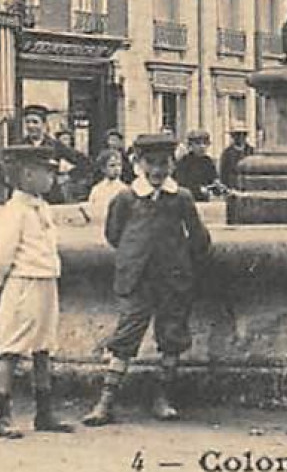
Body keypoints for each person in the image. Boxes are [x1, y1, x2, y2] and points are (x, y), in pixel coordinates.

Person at [82, 134, 213, 427]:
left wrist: (179, 261)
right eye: (150, 163)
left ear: (173, 164)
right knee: (126, 335)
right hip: (137, 279)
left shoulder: (181, 198)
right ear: (138, 164)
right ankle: (106, 401)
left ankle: (163, 396)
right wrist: (135, 258)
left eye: (164, 163)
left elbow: (200, 238)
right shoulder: (126, 199)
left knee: (171, 336)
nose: (157, 170)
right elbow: (114, 235)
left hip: (172, 279)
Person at [0, 145, 71, 439]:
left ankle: (44, 413)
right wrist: (3, 279)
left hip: (46, 280)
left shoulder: (42, 207)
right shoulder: (15, 212)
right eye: (47, 172)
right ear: (27, 175)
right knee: (11, 348)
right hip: (23, 282)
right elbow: (0, 255)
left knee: (43, 346)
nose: (52, 178)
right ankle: (2, 415)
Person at [18, 105, 90, 205]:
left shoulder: (55, 145)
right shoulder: (20, 146)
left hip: (51, 196)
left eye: (35, 122)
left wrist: (68, 176)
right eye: (28, 122)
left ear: (43, 124)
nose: (31, 126)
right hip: (26, 196)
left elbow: (85, 162)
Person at [85, 151, 130, 231]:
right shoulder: (97, 189)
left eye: (119, 165)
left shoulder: (125, 190)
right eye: (112, 165)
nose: (116, 169)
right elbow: (91, 210)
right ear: (103, 168)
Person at [174, 130, 218, 201]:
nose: (202, 147)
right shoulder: (184, 162)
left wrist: (216, 185)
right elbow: (181, 184)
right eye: (198, 143)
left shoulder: (208, 161)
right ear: (191, 145)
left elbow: (213, 179)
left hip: (204, 200)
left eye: (205, 143)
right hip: (187, 200)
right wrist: (198, 189)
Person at [218, 128, 254, 194]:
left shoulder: (251, 151)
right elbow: (223, 173)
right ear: (233, 136)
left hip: (248, 187)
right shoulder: (227, 153)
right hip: (232, 188)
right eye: (237, 135)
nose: (240, 137)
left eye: (243, 135)